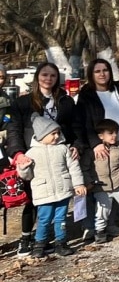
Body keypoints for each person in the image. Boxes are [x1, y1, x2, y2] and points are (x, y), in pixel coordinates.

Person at [5, 62, 77, 257]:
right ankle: (26, 238)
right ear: (38, 77)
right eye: (45, 75)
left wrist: (76, 145)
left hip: (58, 153)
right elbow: (13, 129)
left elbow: (74, 126)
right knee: (33, 199)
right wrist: (18, 153)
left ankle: (57, 238)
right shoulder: (23, 102)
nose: (48, 79)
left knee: (60, 197)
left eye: (53, 75)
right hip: (33, 155)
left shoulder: (65, 101)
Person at [14, 115, 86, 258]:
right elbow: (27, 176)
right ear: (41, 134)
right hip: (44, 192)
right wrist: (23, 168)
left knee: (61, 218)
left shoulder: (63, 149)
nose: (56, 136)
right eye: (53, 133)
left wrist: (78, 183)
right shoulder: (31, 153)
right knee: (44, 219)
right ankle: (39, 244)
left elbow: (74, 167)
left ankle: (61, 242)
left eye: (58, 132)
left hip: (63, 190)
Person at [86, 119, 119, 243]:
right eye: (110, 133)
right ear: (100, 136)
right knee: (102, 210)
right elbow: (85, 168)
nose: (114, 135)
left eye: (116, 132)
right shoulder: (92, 152)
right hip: (101, 186)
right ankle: (100, 231)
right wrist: (89, 181)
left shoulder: (118, 149)